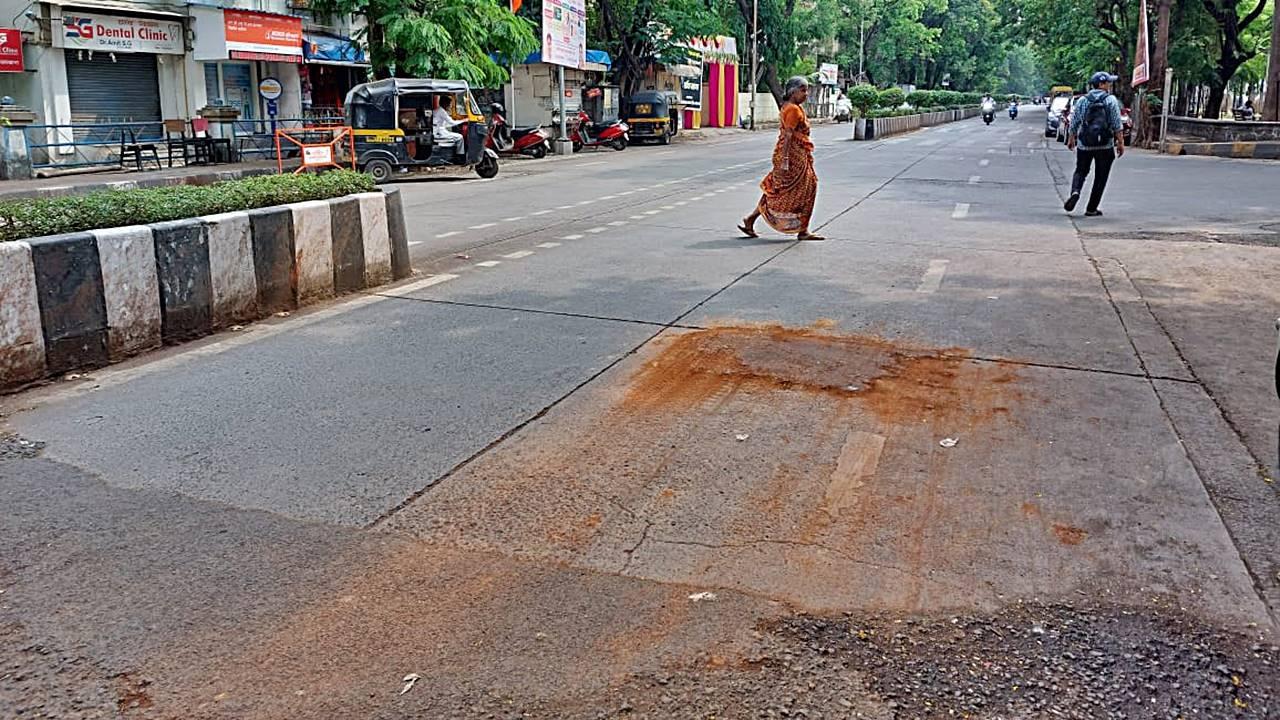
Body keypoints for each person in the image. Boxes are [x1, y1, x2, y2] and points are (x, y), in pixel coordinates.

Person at [739, 76, 823, 241]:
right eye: (803, 90)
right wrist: (785, 160)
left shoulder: (792, 107)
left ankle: (751, 219)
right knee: (800, 188)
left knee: (780, 190)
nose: (806, 94)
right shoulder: (793, 109)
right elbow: (788, 135)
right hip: (791, 157)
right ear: (793, 91)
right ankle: (802, 231)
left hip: (798, 155)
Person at [1065, 71, 1125, 217]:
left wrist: (1071, 137)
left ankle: (1075, 191)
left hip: (1085, 144)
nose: (1110, 85)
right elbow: (1117, 123)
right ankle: (1091, 208)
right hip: (1105, 145)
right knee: (1101, 176)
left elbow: (1075, 121)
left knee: (1081, 170)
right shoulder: (1110, 100)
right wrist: (1120, 142)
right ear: (1101, 84)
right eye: (1108, 82)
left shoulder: (1083, 100)